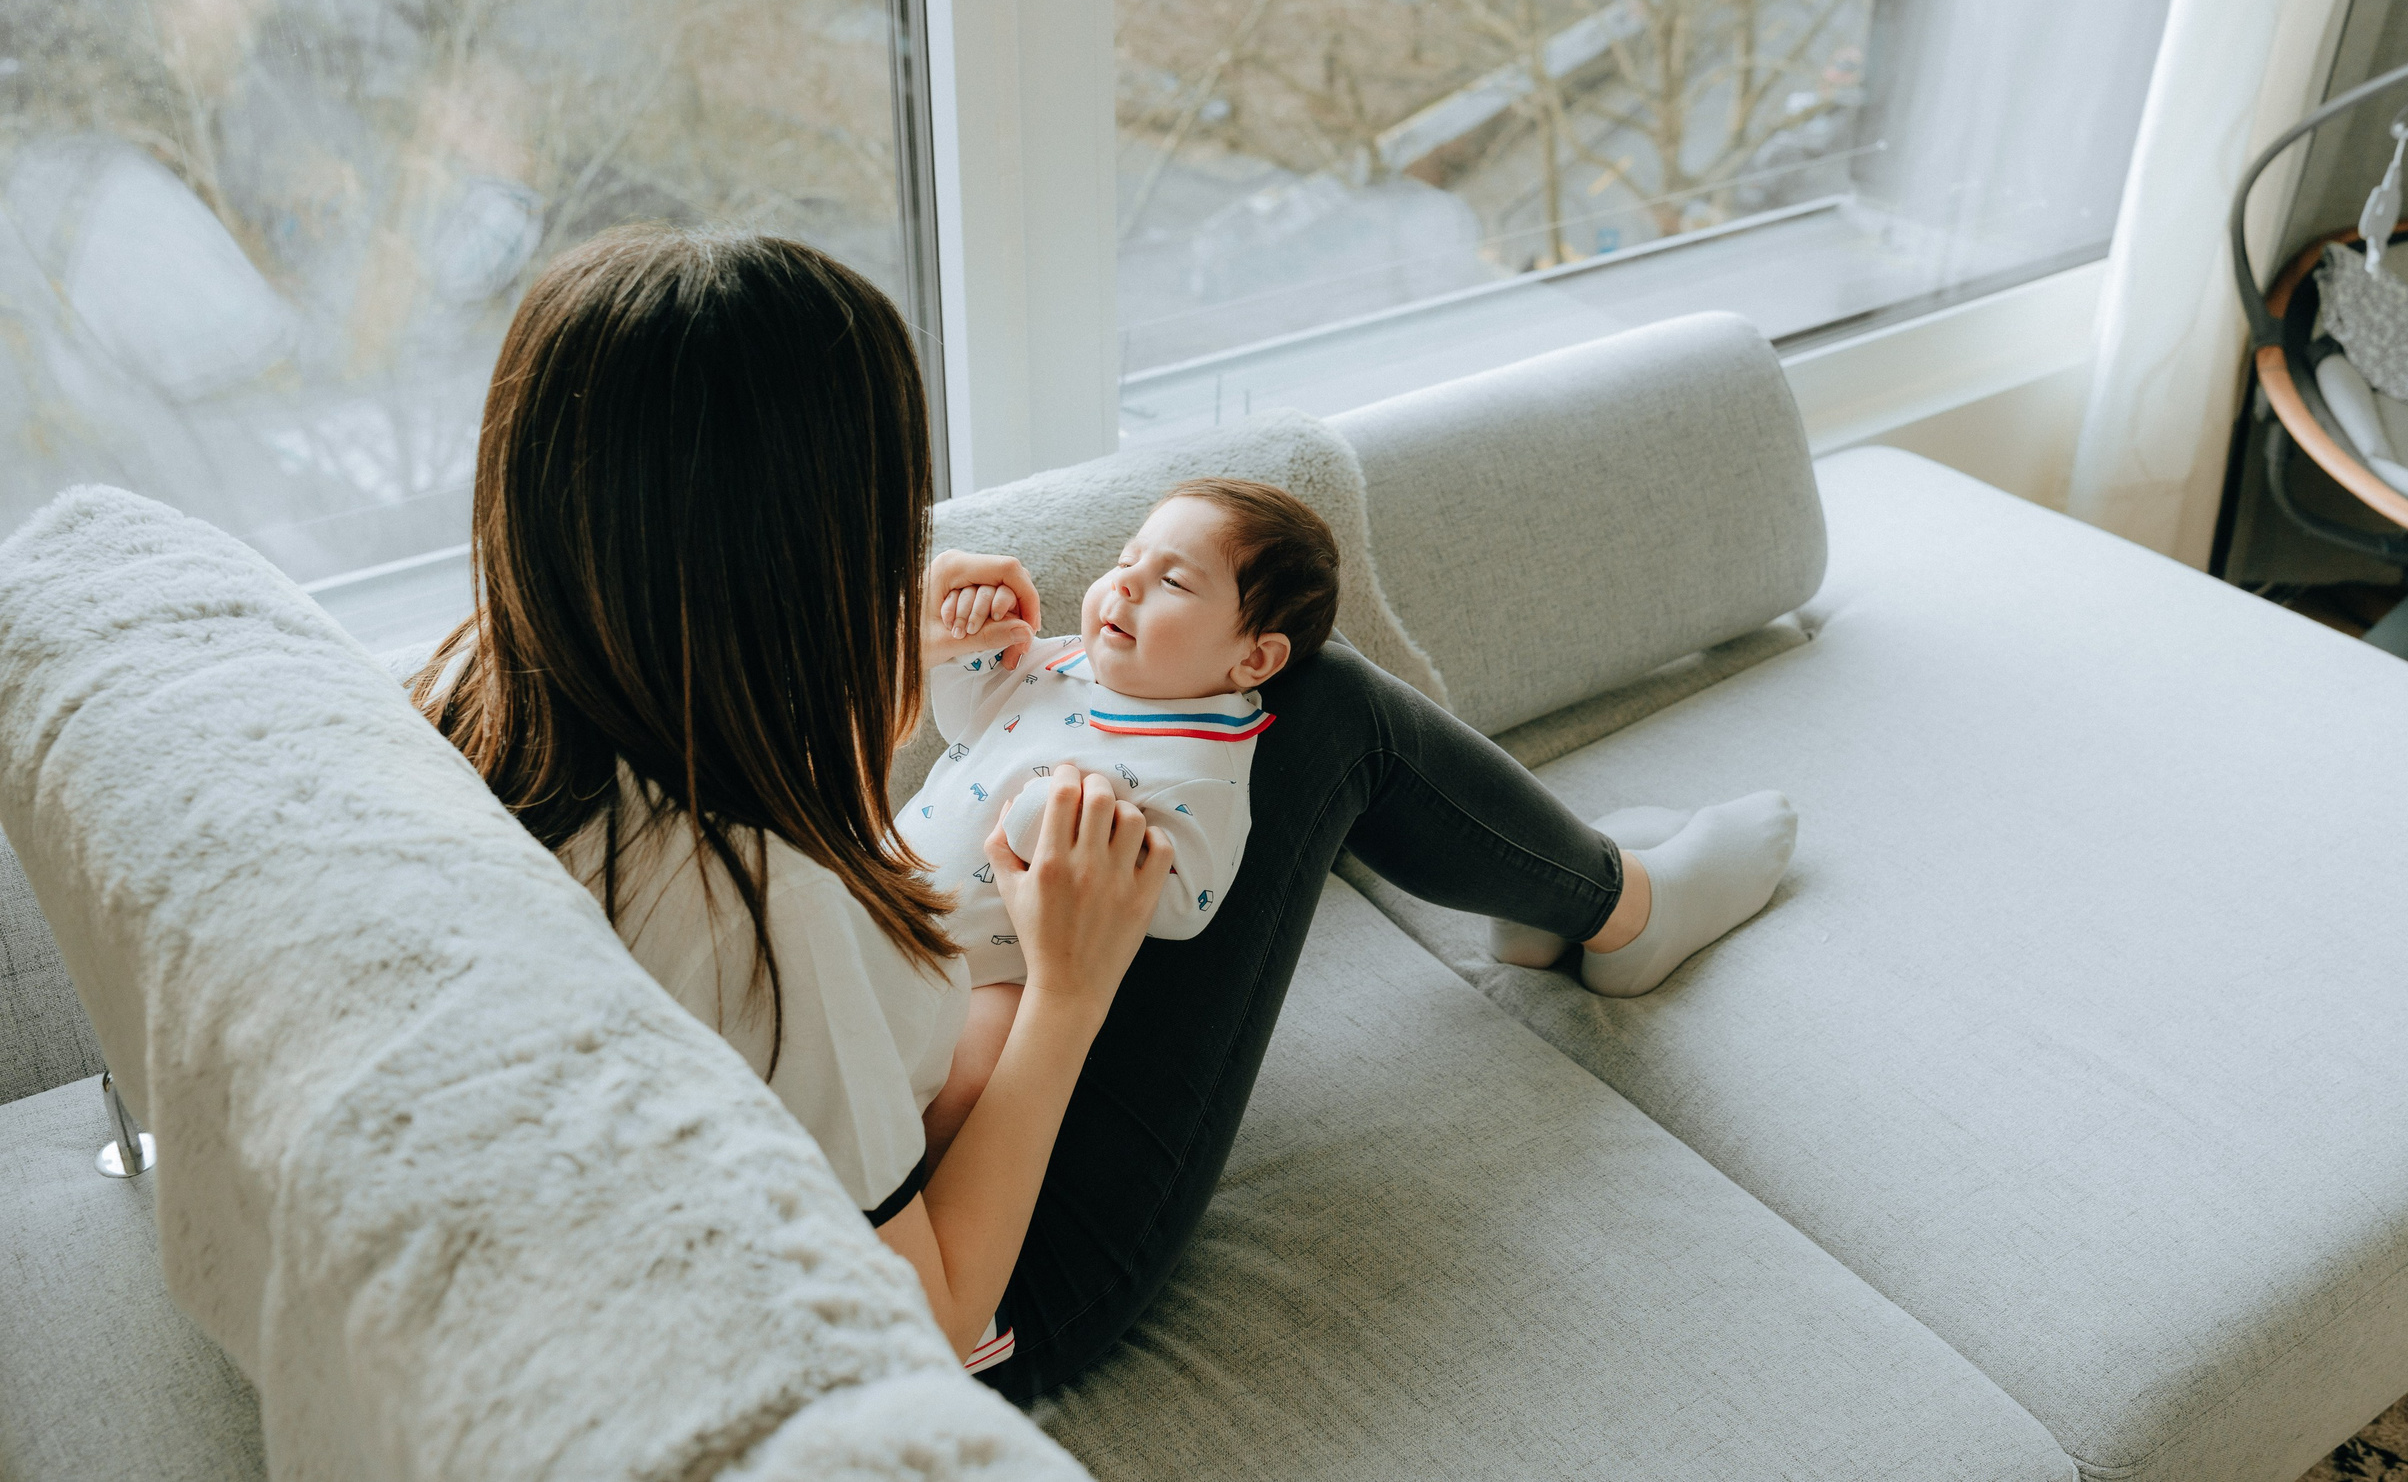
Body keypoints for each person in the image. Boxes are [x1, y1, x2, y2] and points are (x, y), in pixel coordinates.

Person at [412, 224, 1798, 1400]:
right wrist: (1069, 986)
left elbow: (783, 833)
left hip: (910, 1073)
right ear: (785, 550)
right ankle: (1632, 909)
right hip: (1009, 1282)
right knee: (1324, 711)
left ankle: (1597, 898)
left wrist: (895, 675)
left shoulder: (485, 697)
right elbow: (932, 1316)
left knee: (1284, 718)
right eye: (881, 519)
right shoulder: (752, 906)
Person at [903, 477, 1338, 1160]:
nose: (1125, 584)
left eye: (1174, 581)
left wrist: (1072, 827)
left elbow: (1186, 901)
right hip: (886, 881)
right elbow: (968, 723)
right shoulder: (1059, 660)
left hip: (991, 972)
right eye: (1126, 558)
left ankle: (921, 1177)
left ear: (1252, 657)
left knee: (975, 1072)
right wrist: (969, 650)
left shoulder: (1204, 761)